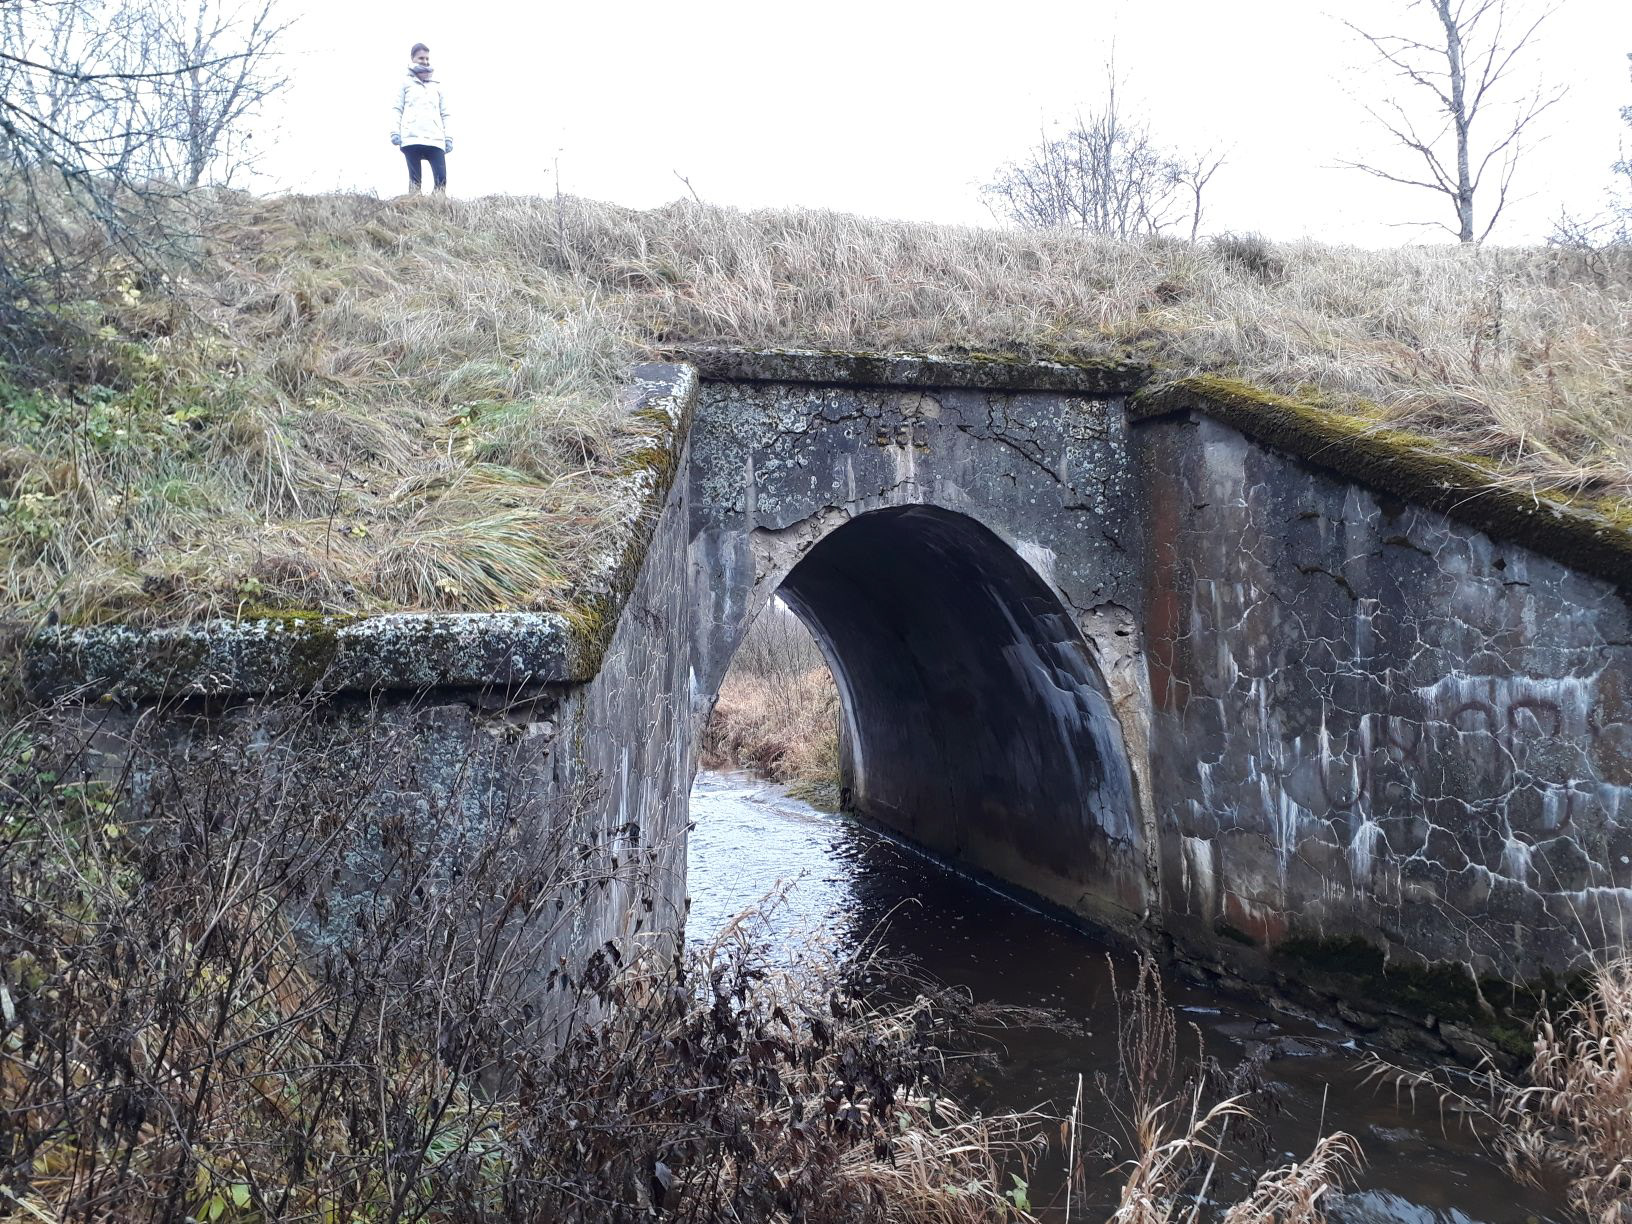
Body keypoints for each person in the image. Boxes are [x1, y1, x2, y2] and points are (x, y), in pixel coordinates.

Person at [390, 42, 452, 195]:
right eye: (421, 58)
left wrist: (448, 137)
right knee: (415, 183)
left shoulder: (437, 85)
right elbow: (397, 109)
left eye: (426, 58)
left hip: (435, 138)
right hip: (411, 137)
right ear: (412, 59)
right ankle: (414, 213)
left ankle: (437, 212)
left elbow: (445, 113)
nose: (424, 61)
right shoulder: (405, 82)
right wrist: (394, 132)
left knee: (441, 180)